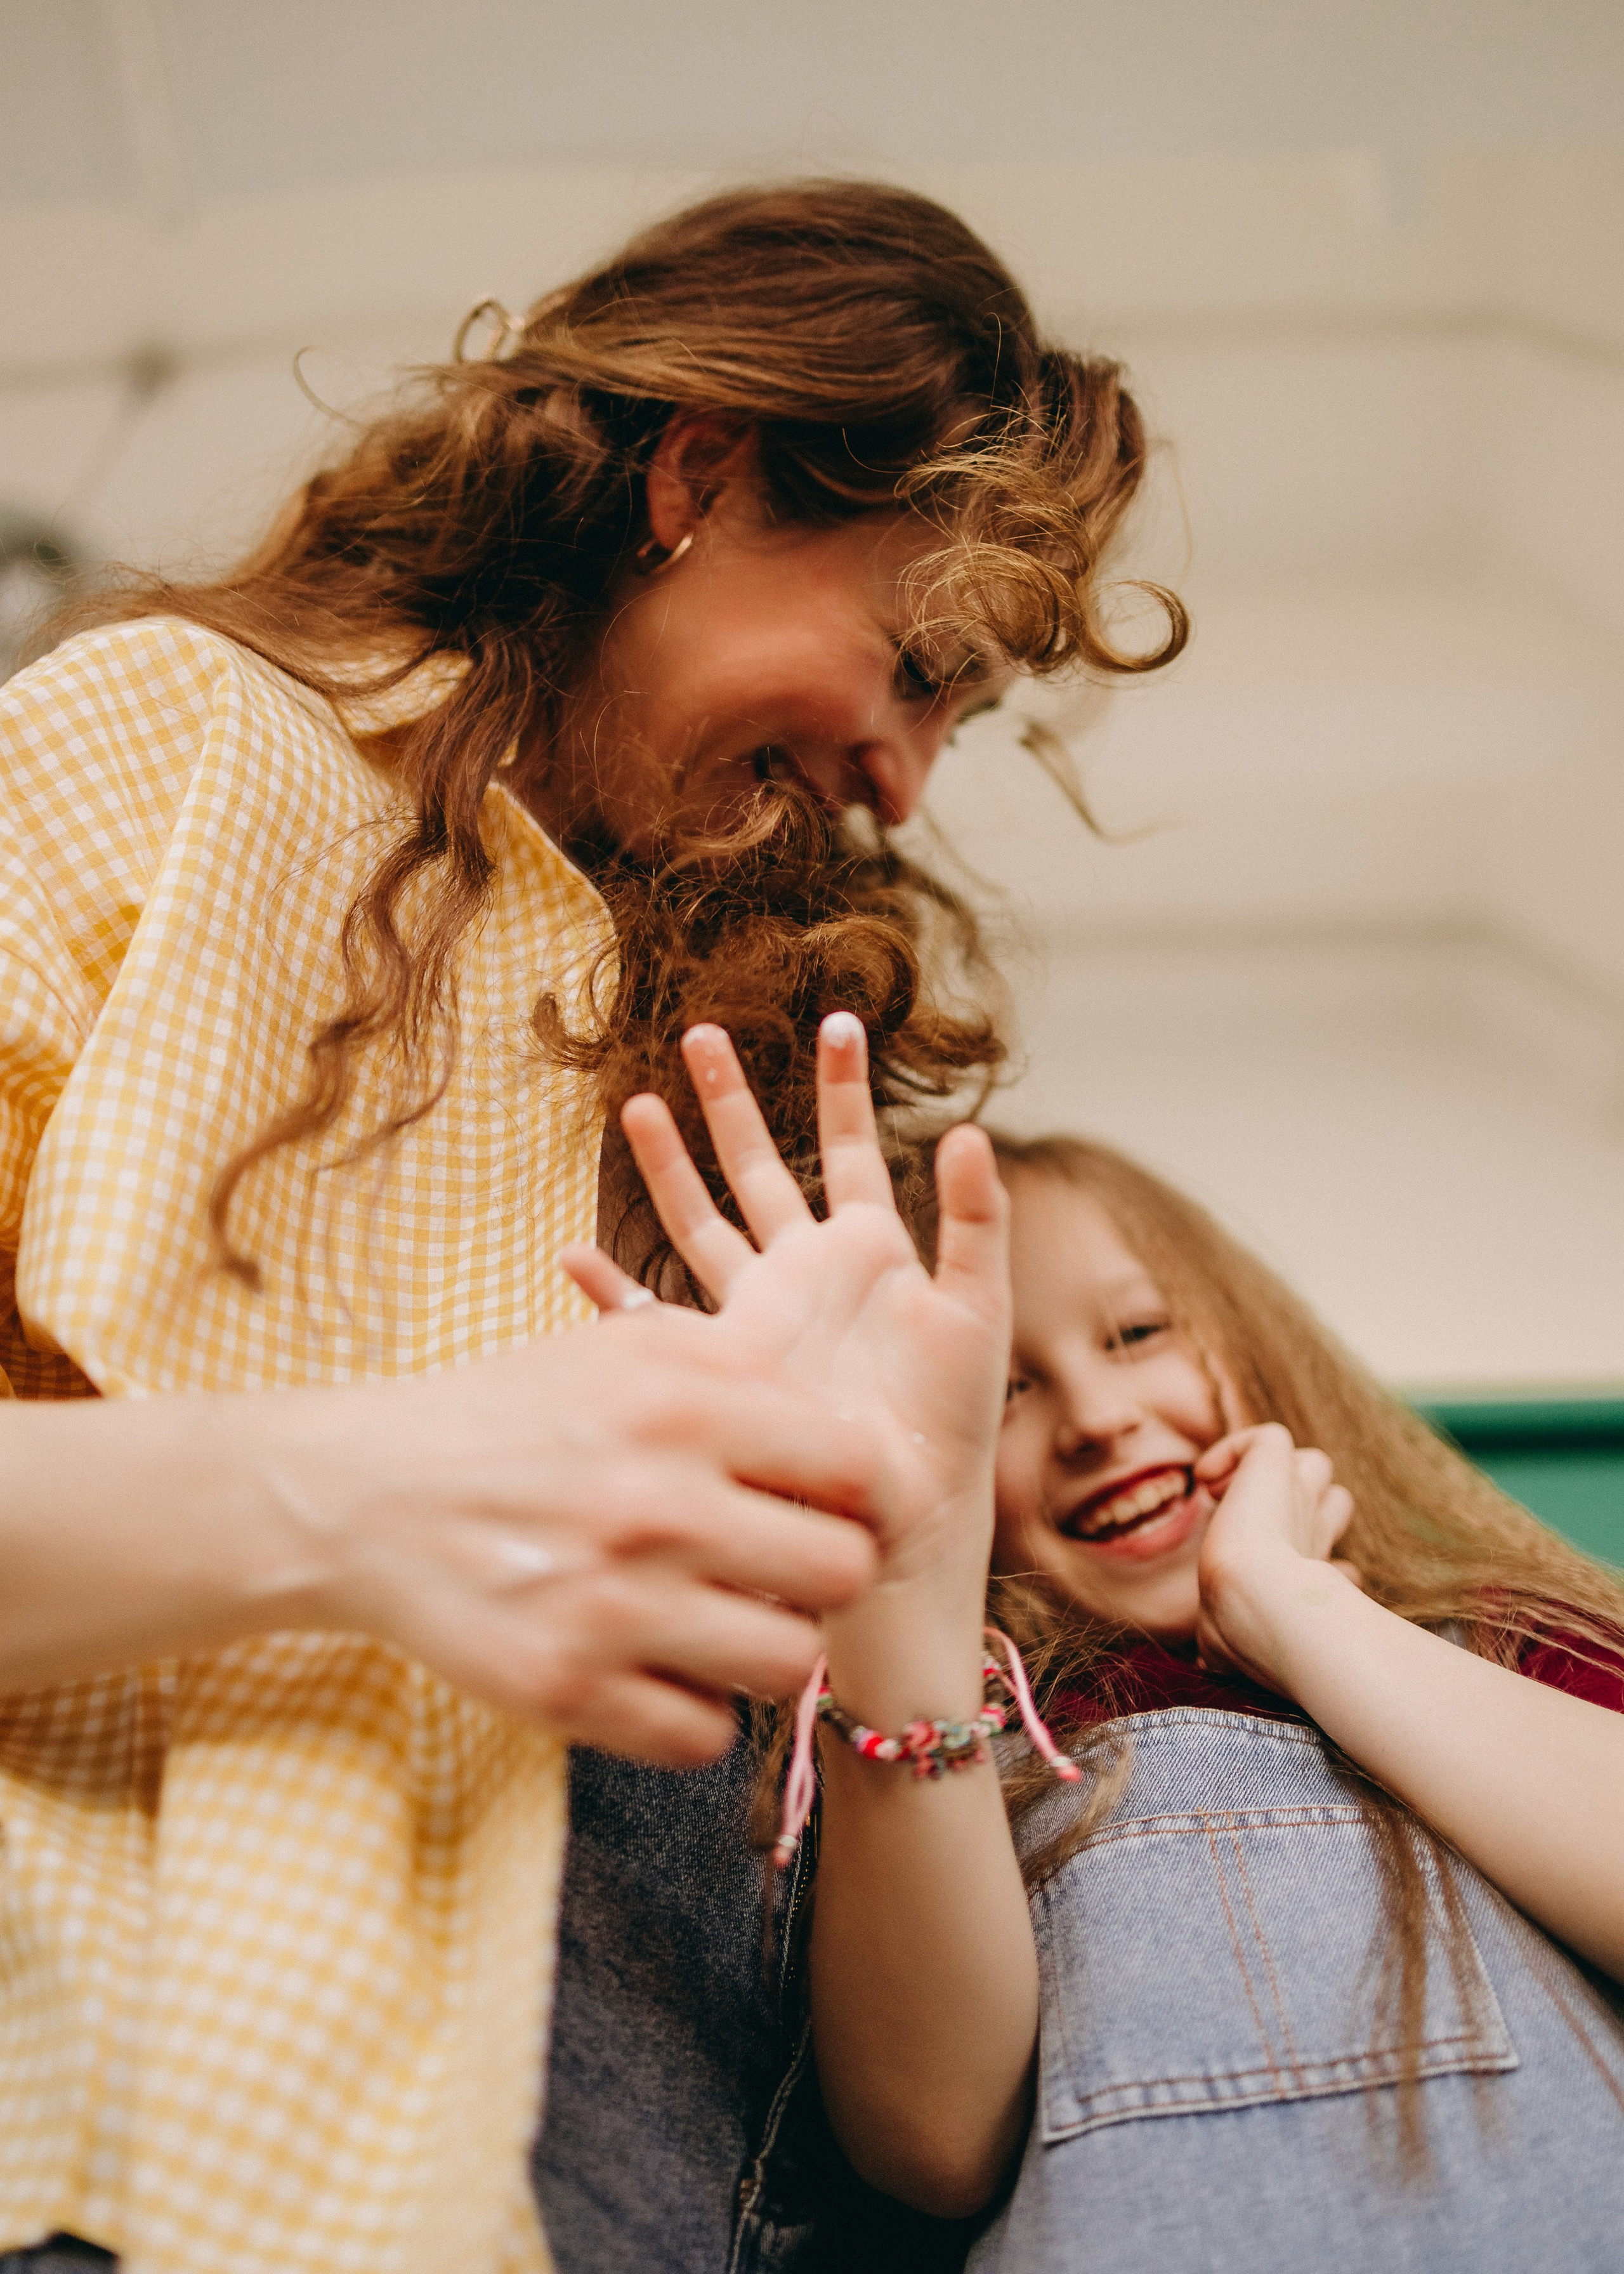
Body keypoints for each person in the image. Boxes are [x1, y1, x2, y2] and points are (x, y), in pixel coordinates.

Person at [0, 183, 1181, 2272]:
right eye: (912, 660)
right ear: (699, 475)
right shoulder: (156, 748)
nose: (905, 779)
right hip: (105, 2149)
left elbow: (936, 2125)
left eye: (958, 723)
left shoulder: (770, 1121)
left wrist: (915, 1584)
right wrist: (350, 1492)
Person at [602, 1077, 1624, 2271]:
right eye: (1003, 1392)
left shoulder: (1512, 1644)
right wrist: (899, 1594)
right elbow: (935, 2142)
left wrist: (1299, 1611)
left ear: (1256, 1339)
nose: (1095, 1416)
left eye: (1137, 1335)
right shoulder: (946, 1735)